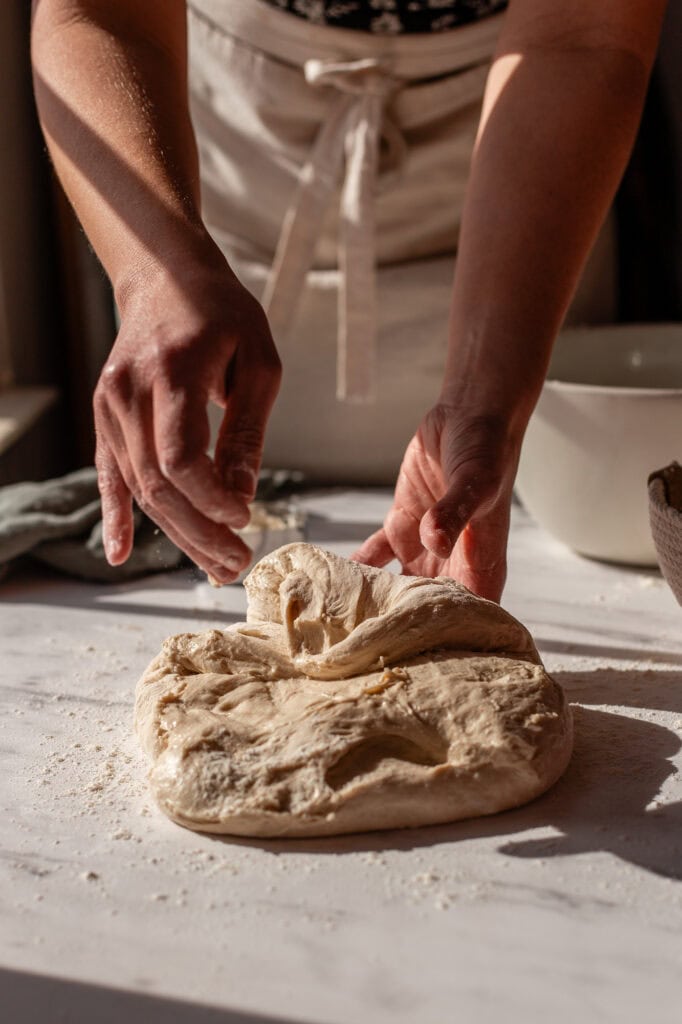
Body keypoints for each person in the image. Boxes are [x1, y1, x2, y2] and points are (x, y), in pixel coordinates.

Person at [30, 0, 666, 601]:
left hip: (524, 188)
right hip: (225, 193)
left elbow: (581, 33)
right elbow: (99, 11)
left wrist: (486, 391)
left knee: (505, 505)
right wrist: (157, 272)